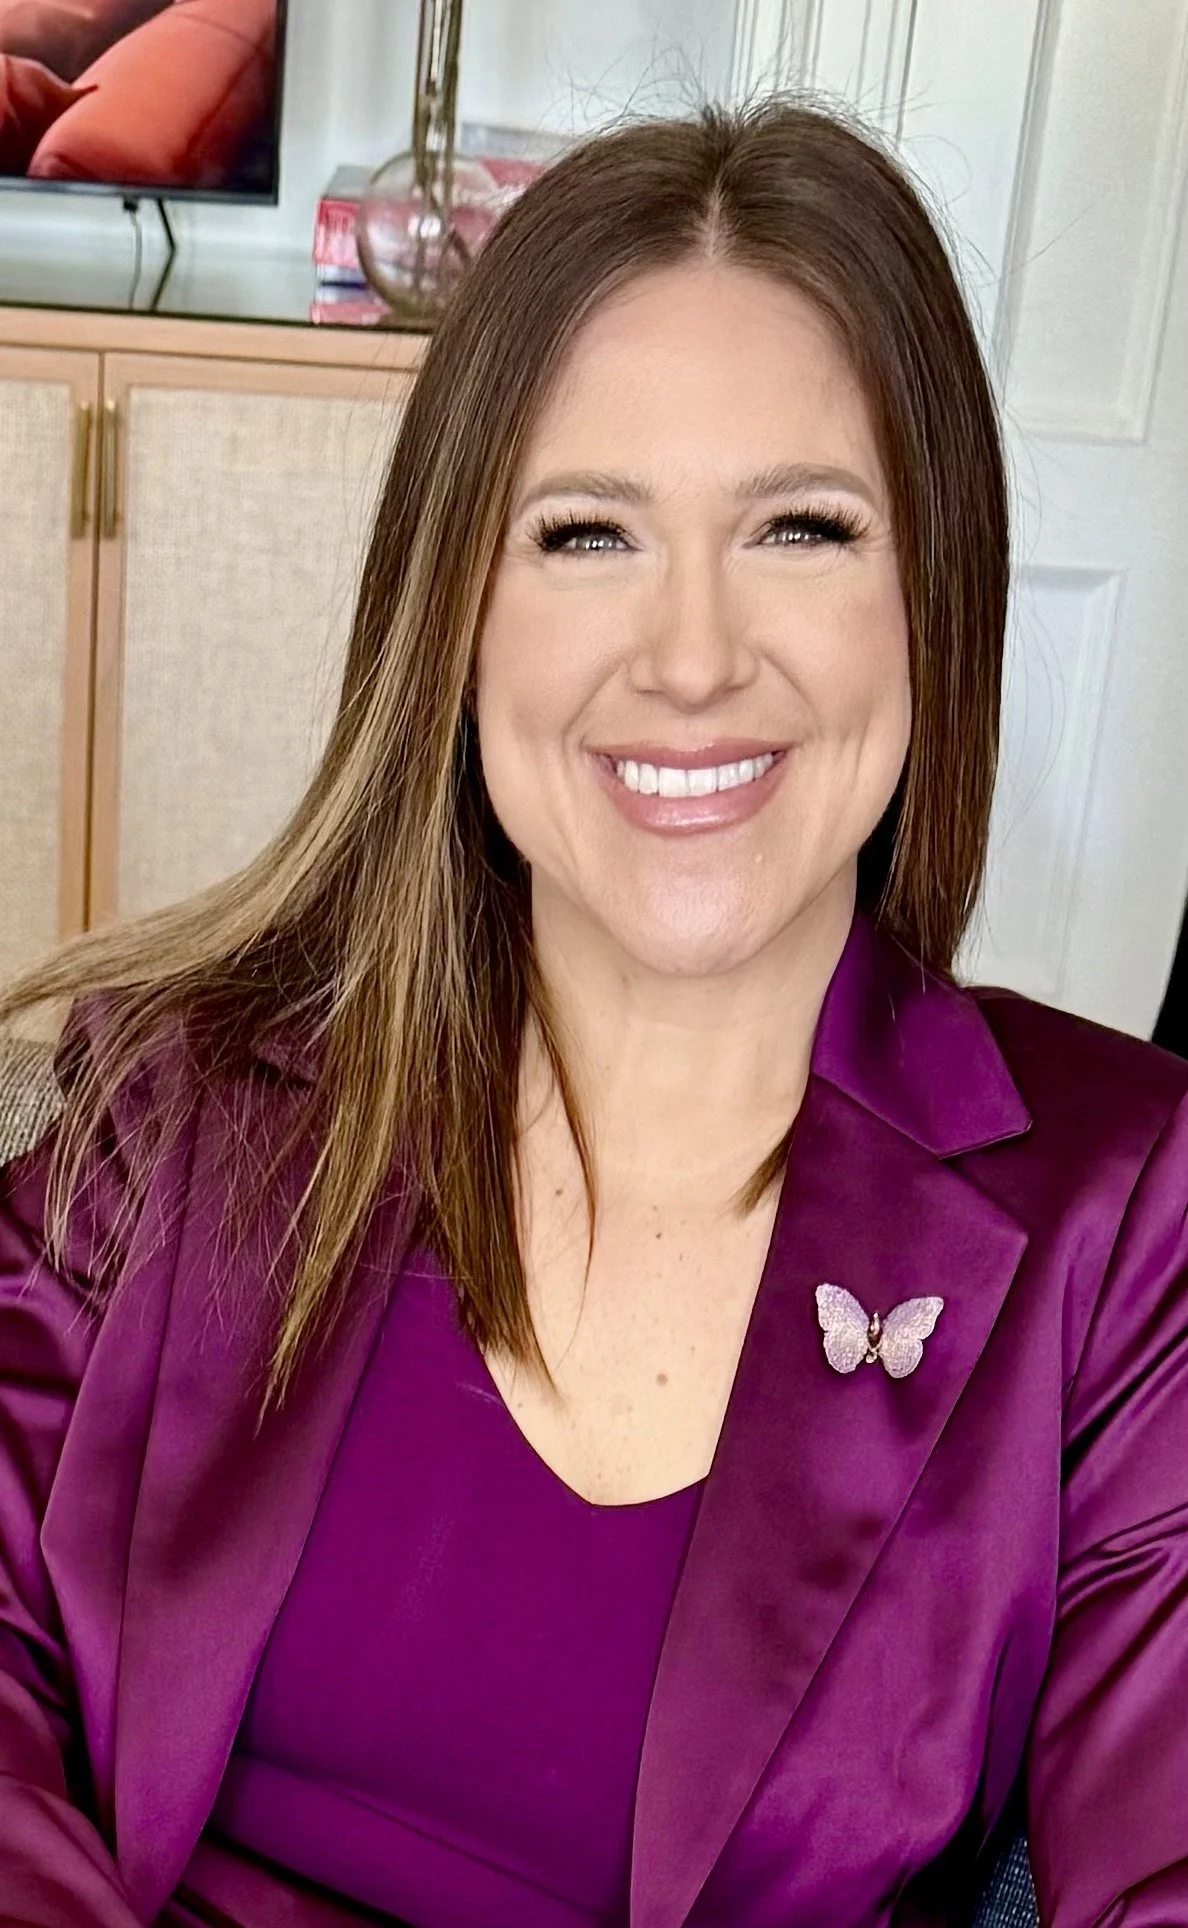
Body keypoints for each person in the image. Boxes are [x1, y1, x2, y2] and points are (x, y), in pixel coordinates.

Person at [1, 94, 1187, 1928]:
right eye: (584, 537)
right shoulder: (175, 1101)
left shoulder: (1123, 1212)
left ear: (931, 596)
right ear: (453, 611)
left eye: (801, 528)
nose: (696, 658)